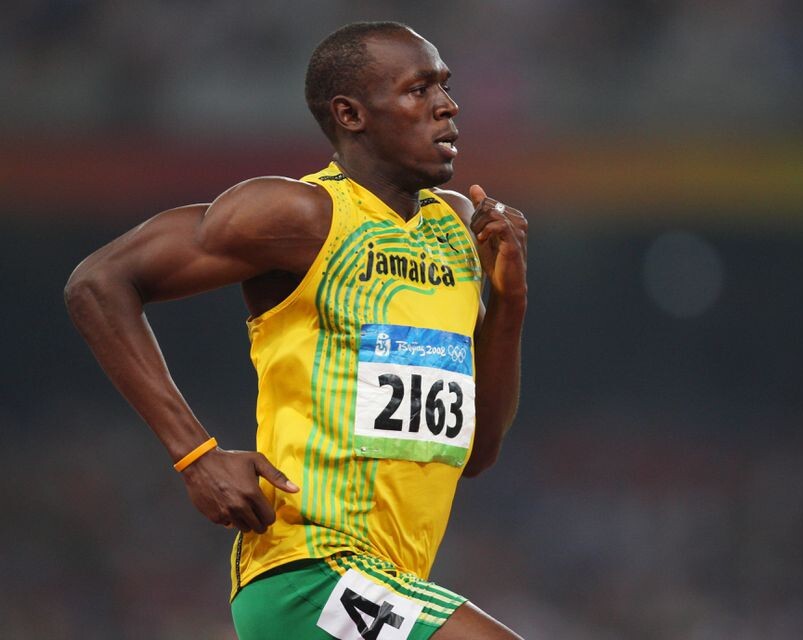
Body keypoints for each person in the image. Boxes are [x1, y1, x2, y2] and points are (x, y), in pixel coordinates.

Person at [64, 21, 527, 640]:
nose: (448, 105)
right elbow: (98, 284)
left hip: (390, 581)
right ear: (350, 114)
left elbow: (477, 452)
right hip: (306, 572)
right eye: (419, 90)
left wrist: (509, 302)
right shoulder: (300, 215)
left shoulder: (456, 229)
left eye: (445, 86)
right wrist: (195, 456)